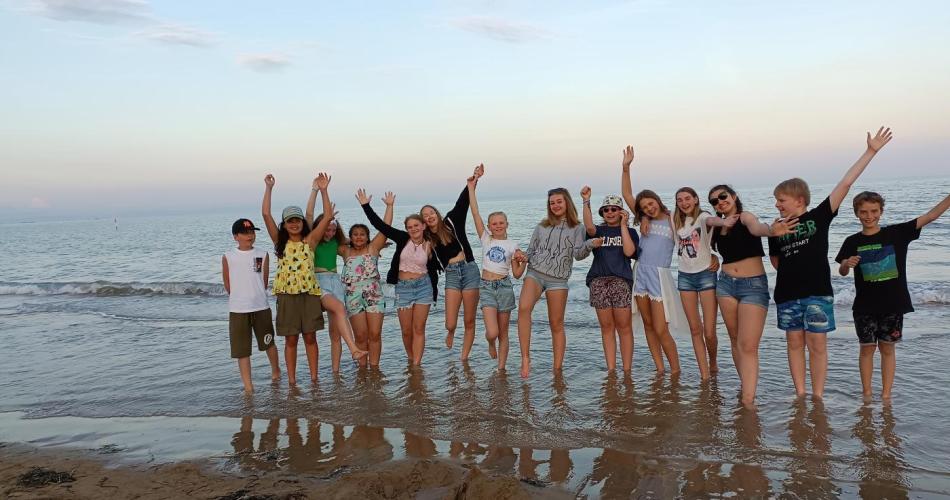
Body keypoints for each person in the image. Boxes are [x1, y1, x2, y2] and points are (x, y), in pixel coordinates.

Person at [768, 127, 893, 400]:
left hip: (817, 291)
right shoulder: (776, 228)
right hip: (787, 294)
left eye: (781, 200)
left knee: (817, 344)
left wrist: (870, 151)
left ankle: (818, 395)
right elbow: (776, 261)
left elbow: (845, 184)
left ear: (799, 200)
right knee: (793, 343)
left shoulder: (819, 216)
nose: (777, 205)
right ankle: (800, 393)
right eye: (776, 201)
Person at [836, 191, 949, 400]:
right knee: (866, 350)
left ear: (881, 211)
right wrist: (845, 264)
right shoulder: (851, 241)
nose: (869, 216)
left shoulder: (897, 234)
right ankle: (867, 393)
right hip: (864, 305)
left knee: (888, 349)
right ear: (856, 214)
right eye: (863, 212)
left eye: (873, 211)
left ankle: (886, 395)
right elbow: (842, 271)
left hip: (893, 304)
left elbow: (931, 215)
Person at [708, 184, 793, 405]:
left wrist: (771, 231)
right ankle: (746, 387)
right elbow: (697, 242)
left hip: (753, 286)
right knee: (736, 340)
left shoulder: (744, 216)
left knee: (748, 345)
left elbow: (757, 228)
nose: (720, 202)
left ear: (734, 196)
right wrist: (711, 258)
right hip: (725, 285)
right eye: (714, 201)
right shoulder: (718, 227)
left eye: (723, 196)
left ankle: (748, 401)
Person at [621, 146, 688, 375]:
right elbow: (628, 195)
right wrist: (626, 168)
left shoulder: (673, 219)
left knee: (661, 328)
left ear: (657, 200)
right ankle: (660, 370)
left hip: (660, 276)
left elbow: (693, 235)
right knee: (648, 325)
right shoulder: (643, 221)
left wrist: (712, 257)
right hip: (640, 273)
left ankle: (676, 371)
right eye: (644, 207)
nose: (649, 207)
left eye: (650, 203)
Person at [261, 173, 332, 386]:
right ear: (284, 224)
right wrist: (269, 188)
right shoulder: (279, 243)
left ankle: (314, 378)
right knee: (290, 339)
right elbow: (265, 214)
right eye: (289, 221)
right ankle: (291, 382)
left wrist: (324, 190)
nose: (294, 224)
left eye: (297, 220)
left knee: (310, 337)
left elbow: (327, 216)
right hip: (287, 296)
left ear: (302, 222)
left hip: (309, 295)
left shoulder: (310, 241)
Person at [361, 190, 441, 366]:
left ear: (423, 226)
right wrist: (366, 206)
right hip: (403, 288)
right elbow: (381, 226)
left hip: (423, 287)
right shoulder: (402, 238)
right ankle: (411, 358)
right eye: (409, 227)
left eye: (416, 225)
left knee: (418, 329)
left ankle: (416, 365)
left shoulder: (431, 243)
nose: (413, 229)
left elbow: (449, 247)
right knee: (406, 331)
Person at [518, 186, 588, 378]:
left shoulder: (578, 228)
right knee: (523, 308)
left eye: (559, 201)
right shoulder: (542, 226)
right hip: (535, 272)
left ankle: (557, 369)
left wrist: (589, 244)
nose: (555, 205)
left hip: (558, 280)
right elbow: (531, 251)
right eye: (552, 203)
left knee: (556, 323)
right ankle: (525, 357)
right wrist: (522, 256)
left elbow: (579, 254)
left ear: (567, 203)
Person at [672, 187, 737, 380]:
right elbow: (646, 209)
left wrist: (724, 221)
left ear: (695, 199)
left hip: (706, 275)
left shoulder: (703, 216)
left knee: (709, 332)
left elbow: (712, 221)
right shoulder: (674, 221)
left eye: (687, 199)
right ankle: (705, 376)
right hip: (685, 277)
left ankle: (713, 361)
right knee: (695, 329)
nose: (684, 203)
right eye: (680, 200)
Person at [304, 180, 368, 372]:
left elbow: (358, 245)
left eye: (333, 230)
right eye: (327, 229)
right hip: (319, 282)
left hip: (336, 283)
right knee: (340, 308)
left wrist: (377, 247)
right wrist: (317, 190)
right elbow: (308, 215)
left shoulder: (336, 243)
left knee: (335, 334)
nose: (329, 233)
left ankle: (335, 373)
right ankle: (354, 349)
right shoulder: (312, 241)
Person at [468, 165, 527, 370]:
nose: (498, 225)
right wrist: (472, 187)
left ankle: (501, 368)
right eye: (494, 223)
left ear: (507, 224)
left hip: (504, 287)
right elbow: (475, 213)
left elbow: (517, 275)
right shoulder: (486, 239)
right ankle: (490, 342)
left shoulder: (513, 245)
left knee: (504, 332)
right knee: (492, 332)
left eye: (501, 223)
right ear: (490, 226)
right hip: (486, 287)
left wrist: (522, 261)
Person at [420, 166, 482, 361]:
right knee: (450, 323)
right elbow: (406, 238)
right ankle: (451, 332)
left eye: (431, 212)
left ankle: (464, 359)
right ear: (423, 222)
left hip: (469, 269)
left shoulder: (452, 220)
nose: (429, 216)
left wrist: (473, 182)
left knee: (470, 320)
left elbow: (463, 202)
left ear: (436, 214)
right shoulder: (427, 238)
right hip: (452, 274)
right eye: (425, 216)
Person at [579, 189, 638, 373]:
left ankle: (627, 370)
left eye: (614, 209)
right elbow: (588, 227)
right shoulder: (598, 230)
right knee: (607, 327)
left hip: (621, 281)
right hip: (599, 280)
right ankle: (611, 369)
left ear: (621, 211)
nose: (610, 212)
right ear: (602, 213)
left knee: (624, 327)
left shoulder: (630, 231)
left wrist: (623, 225)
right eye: (606, 210)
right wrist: (586, 201)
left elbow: (629, 252)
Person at [222, 218, 281, 393]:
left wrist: (255, 293)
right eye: (245, 232)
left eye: (252, 232)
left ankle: (276, 371)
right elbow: (227, 284)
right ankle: (248, 386)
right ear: (235, 236)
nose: (250, 235)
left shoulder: (262, 254)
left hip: (260, 306)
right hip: (238, 309)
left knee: (268, 342)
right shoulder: (228, 256)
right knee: (242, 350)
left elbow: (262, 280)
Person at [341, 190, 395, 368]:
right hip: (352, 296)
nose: (358, 237)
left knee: (374, 334)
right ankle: (362, 369)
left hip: (374, 295)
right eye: (355, 234)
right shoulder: (345, 251)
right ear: (350, 238)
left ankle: (375, 368)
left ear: (367, 237)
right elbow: (324, 238)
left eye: (362, 234)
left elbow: (385, 227)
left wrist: (389, 206)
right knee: (361, 336)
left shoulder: (373, 248)